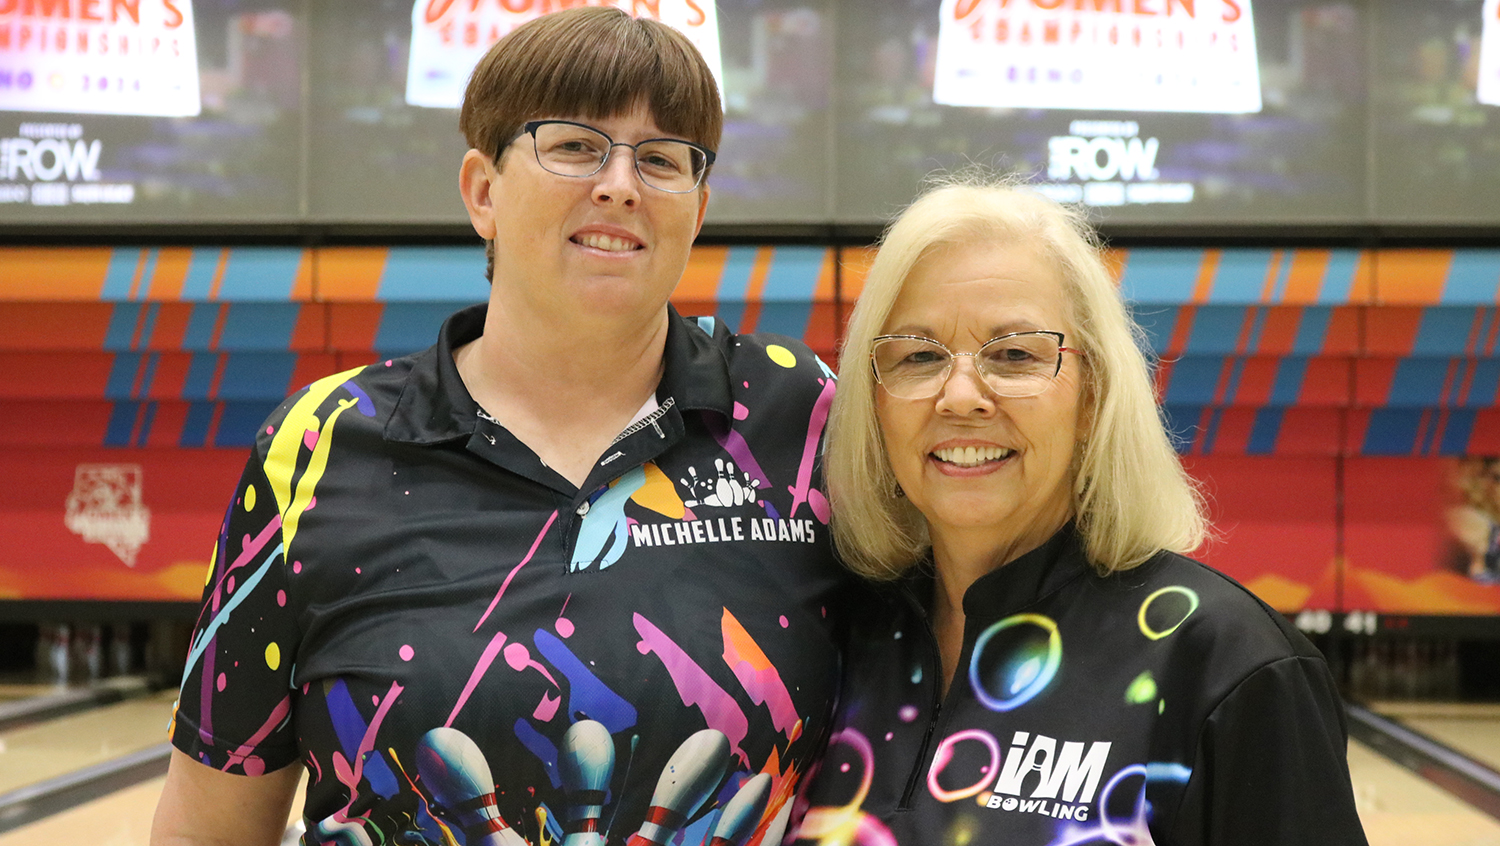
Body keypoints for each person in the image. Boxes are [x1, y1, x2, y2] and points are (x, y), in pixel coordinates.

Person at [152, 9, 848, 846]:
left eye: (661, 160)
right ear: (483, 191)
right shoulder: (320, 444)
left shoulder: (802, 416)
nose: (620, 184)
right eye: (575, 145)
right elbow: (208, 825)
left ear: (696, 211)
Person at [789, 178, 1368, 845]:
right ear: (876, 399)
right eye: (919, 356)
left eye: (1014, 354)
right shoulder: (831, 639)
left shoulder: (1225, 664)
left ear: (1091, 395)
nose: (961, 395)